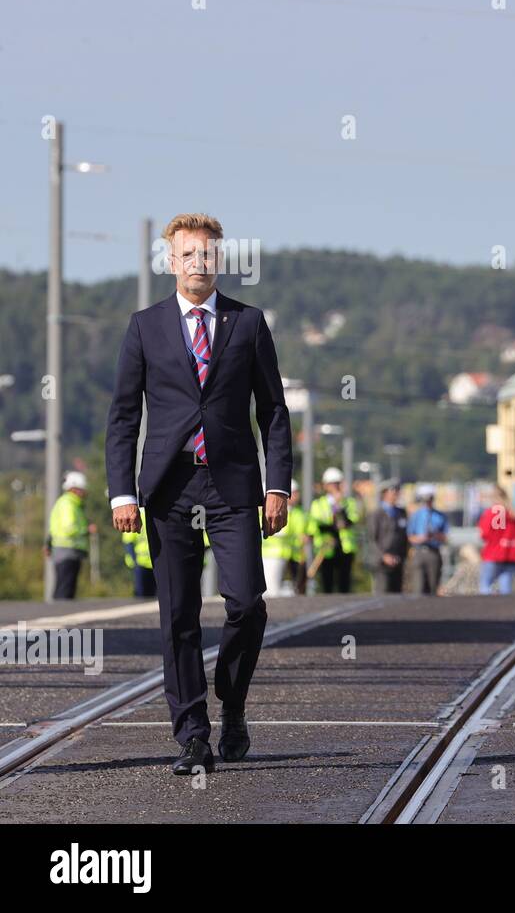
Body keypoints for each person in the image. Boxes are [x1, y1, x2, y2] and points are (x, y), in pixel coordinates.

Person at [106, 212, 293, 776]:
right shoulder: (146, 326)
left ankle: (231, 700)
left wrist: (277, 485)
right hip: (169, 486)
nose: (197, 263)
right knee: (178, 617)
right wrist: (122, 494)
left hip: (233, 484)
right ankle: (192, 735)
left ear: (220, 260)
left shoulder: (248, 323)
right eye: (187, 255)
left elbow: (274, 412)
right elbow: (122, 416)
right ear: (171, 261)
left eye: (206, 255)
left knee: (246, 602)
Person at [308, 467, 360, 593]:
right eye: (332, 484)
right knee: (327, 583)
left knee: (344, 583)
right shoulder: (318, 504)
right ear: (325, 485)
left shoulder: (349, 502)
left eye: (337, 483)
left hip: (345, 547)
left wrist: (339, 505)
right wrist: (335, 525)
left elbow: (351, 521)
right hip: (326, 548)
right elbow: (317, 525)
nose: (335, 487)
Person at [46, 471, 93, 600]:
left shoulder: (70, 503)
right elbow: (69, 527)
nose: (84, 493)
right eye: (82, 490)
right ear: (75, 489)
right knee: (65, 590)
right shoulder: (68, 504)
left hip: (68, 551)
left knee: (66, 588)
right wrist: (86, 530)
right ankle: (58, 616)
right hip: (67, 551)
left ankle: (59, 615)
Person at [477, 485, 515, 594]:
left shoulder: (494, 512)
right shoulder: (513, 513)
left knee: (485, 585)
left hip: (494, 553)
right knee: (505, 587)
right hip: (511, 553)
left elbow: (485, 534)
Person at [368, 479, 409, 593]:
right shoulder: (376, 514)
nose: (396, 493)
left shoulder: (401, 512)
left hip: (398, 561)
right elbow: (372, 539)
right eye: (393, 490)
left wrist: (403, 556)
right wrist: (383, 556)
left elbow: (404, 537)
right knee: (382, 594)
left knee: (396, 597)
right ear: (385, 493)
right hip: (381, 563)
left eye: (397, 490)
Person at [407, 484, 449, 595]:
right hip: (419, 552)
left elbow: (446, 537)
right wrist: (421, 538)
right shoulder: (416, 515)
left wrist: (435, 536)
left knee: (433, 586)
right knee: (418, 587)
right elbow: (410, 536)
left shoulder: (440, 516)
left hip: (433, 552)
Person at [122, 507, 156, 599]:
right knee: (144, 595)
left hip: (151, 563)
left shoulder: (136, 516)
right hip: (143, 563)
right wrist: (134, 561)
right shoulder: (136, 516)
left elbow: (128, 541)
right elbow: (129, 542)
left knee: (146, 596)